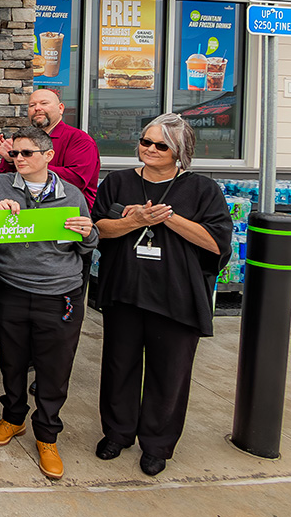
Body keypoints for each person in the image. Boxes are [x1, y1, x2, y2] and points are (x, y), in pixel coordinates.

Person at [0, 126, 98, 480]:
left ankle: (47, 435)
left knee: (54, 370)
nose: (18, 159)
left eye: (27, 153)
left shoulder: (71, 194)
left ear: (48, 156)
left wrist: (88, 233)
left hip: (59, 294)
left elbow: (88, 244)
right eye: (15, 153)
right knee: (12, 362)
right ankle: (13, 417)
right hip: (12, 289)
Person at [93, 114, 232, 477]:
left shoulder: (202, 189)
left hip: (177, 296)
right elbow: (99, 229)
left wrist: (167, 217)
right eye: (145, 141)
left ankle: (157, 445)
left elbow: (216, 243)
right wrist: (135, 220)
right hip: (124, 291)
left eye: (160, 145)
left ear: (179, 152)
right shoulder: (118, 182)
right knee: (118, 366)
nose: (150, 149)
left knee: (169, 375)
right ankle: (117, 433)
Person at [0, 89, 100, 210]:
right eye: (32, 105)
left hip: (67, 213)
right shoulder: (22, 140)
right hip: (21, 212)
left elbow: (77, 180)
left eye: (44, 103)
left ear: (60, 108)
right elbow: (0, 185)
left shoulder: (79, 140)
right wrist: (10, 160)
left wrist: (32, 166)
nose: (37, 108)